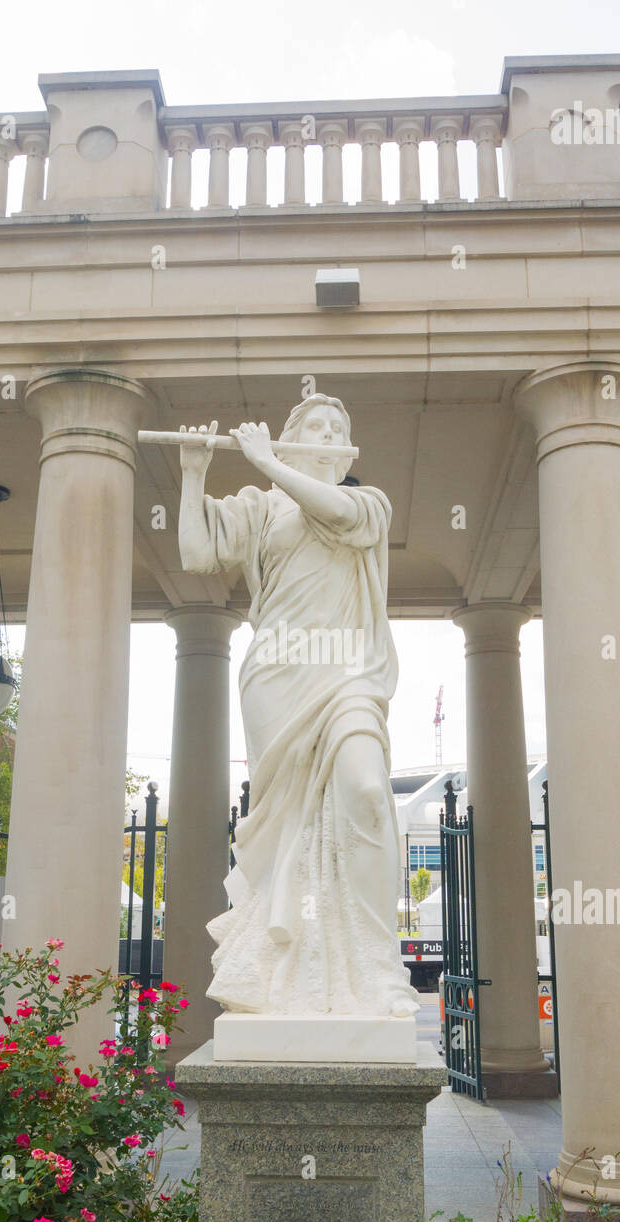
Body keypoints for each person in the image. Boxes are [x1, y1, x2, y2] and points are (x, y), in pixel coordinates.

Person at [177, 394, 419, 1018]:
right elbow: (197, 555)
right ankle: (287, 973)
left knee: (366, 789)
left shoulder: (368, 503)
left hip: (347, 673)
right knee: (286, 826)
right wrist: (193, 472)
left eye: (341, 425)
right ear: (291, 437)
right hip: (277, 672)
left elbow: (336, 513)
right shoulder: (260, 507)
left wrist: (267, 462)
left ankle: (377, 965)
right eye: (319, 424)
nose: (332, 432)